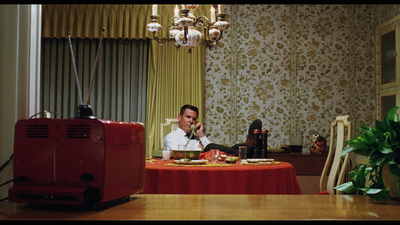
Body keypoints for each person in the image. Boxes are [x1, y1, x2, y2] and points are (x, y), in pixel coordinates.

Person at [164, 104, 261, 157]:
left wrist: (201, 135)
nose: (191, 121)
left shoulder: (197, 137)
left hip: (208, 158)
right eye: (188, 117)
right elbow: (180, 155)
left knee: (235, 147)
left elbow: (209, 148)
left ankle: (245, 147)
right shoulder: (171, 137)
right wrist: (200, 148)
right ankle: (247, 149)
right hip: (191, 164)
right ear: (179, 117)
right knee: (212, 148)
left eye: (194, 119)